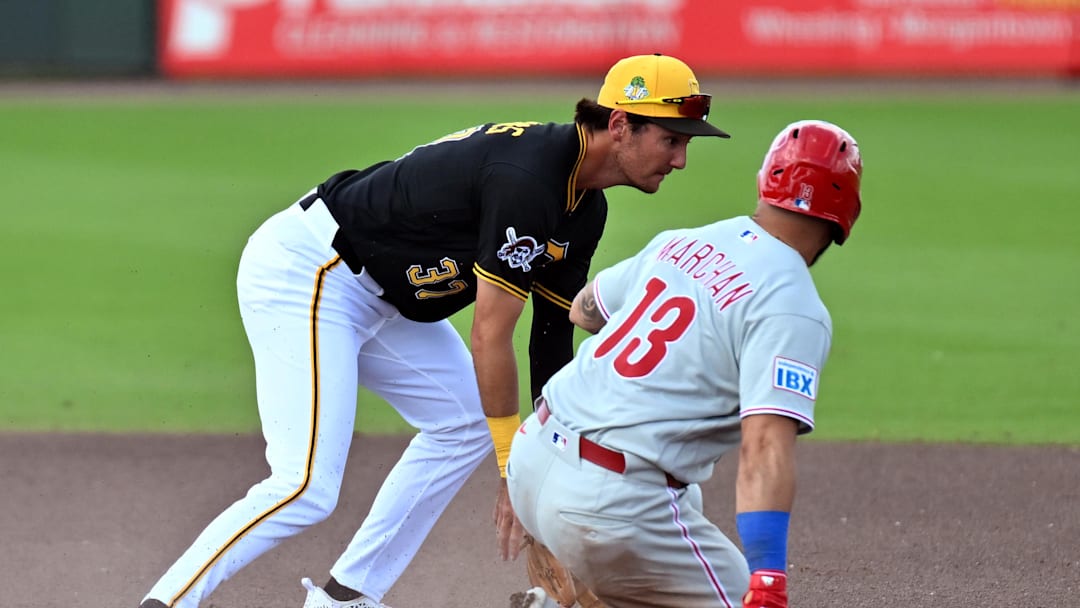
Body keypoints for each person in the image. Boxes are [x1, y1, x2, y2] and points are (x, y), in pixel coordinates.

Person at [138, 53, 730, 608]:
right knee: (305, 485)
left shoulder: (585, 206)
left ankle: (348, 597)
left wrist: (548, 465)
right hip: (314, 270)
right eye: (671, 139)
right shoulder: (529, 177)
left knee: (468, 419)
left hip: (381, 294)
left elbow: (551, 339)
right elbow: (490, 336)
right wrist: (515, 477)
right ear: (621, 124)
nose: (679, 159)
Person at [505, 119, 863, 608]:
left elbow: (584, 308)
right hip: (608, 508)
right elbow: (763, 449)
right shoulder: (792, 304)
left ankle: (566, 595)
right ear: (845, 213)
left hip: (533, 456)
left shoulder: (689, 239)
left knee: (681, 499)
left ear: (766, 183)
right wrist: (768, 581)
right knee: (739, 597)